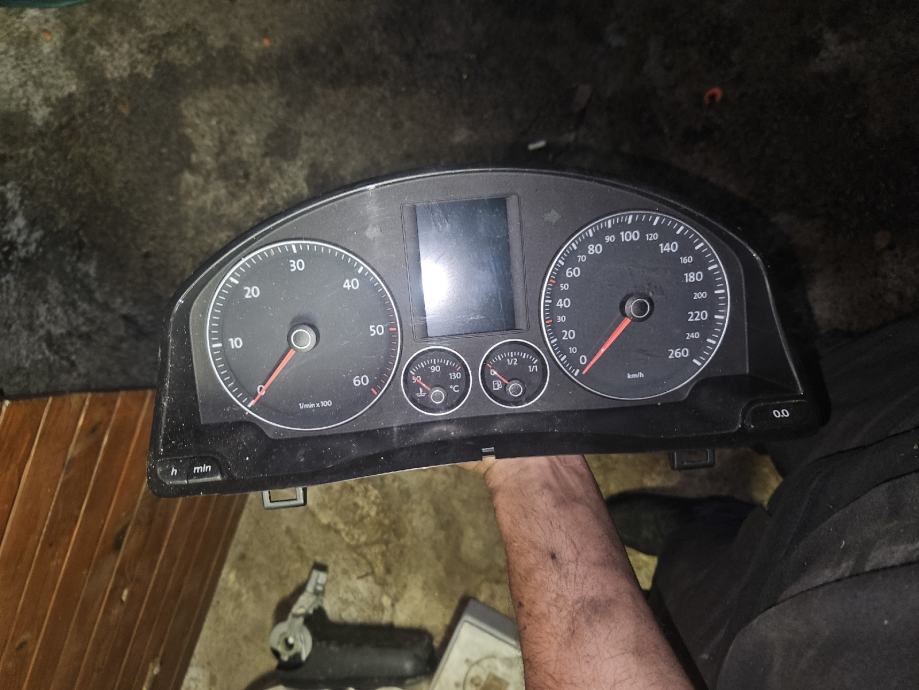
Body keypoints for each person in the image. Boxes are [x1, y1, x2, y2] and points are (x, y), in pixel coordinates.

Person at [466, 315, 919, 689]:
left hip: (761, 655)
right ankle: (720, 495)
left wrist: (533, 468)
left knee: (688, 592)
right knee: (812, 393)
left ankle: (695, 531)